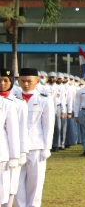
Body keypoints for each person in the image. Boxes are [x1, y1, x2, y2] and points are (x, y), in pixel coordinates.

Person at [15, 68, 55, 207]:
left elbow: (48, 125)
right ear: (18, 80)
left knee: (36, 182)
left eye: (29, 81)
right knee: (17, 184)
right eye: (23, 81)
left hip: (36, 146)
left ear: (37, 81)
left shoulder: (44, 99)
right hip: (17, 147)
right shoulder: (13, 98)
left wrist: (47, 147)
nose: (26, 84)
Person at [1, 68, 28, 207]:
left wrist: (20, 154)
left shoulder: (17, 102)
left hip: (10, 151)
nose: (2, 84)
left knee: (11, 186)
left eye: (6, 81)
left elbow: (20, 130)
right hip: (5, 150)